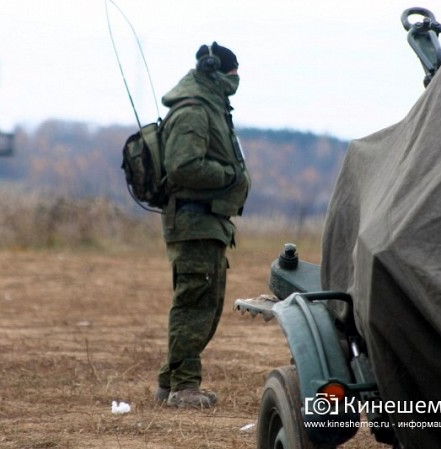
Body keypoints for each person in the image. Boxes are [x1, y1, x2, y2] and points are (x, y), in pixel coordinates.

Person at [153, 42, 251, 409]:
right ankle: (183, 387)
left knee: (206, 305)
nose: (236, 79)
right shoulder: (194, 110)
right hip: (194, 219)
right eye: (233, 73)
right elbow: (183, 165)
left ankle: (170, 381)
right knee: (194, 303)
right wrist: (228, 175)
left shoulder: (211, 104)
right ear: (216, 73)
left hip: (208, 221)